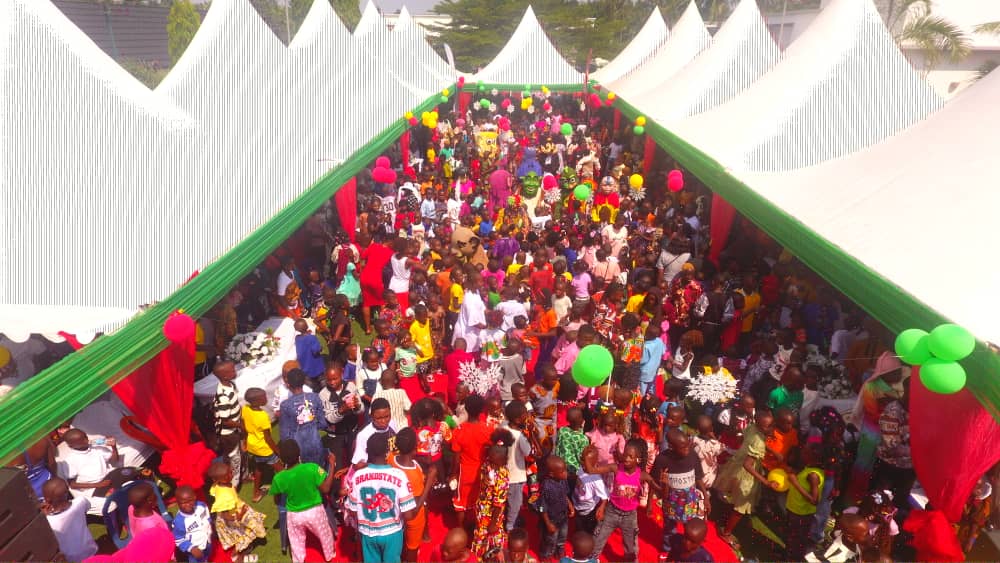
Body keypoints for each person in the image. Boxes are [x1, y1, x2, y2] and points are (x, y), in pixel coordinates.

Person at [347, 433, 418, 563]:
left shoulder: (357, 476)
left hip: (367, 533)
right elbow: (408, 515)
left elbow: (352, 510)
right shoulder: (399, 475)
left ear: (367, 451)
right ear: (387, 452)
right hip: (392, 533)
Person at [589, 442, 664, 562]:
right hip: (611, 511)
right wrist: (587, 457)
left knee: (631, 547)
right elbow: (592, 470)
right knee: (598, 538)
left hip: (630, 516)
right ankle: (591, 559)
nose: (626, 459)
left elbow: (659, 490)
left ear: (638, 460)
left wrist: (664, 485)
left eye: (630, 456)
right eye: (625, 455)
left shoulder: (642, 475)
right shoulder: (616, 468)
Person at [847, 352, 906, 504]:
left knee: (872, 467)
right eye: (896, 372)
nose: (900, 374)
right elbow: (873, 413)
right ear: (886, 373)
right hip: (872, 434)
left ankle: (865, 496)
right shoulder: (872, 387)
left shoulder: (891, 388)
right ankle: (853, 497)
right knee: (863, 465)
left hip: (881, 435)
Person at [714, 410, 775, 551]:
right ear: (761, 426)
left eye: (773, 425)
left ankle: (724, 517)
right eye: (769, 426)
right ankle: (726, 533)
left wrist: (772, 452)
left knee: (732, 495)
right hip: (746, 476)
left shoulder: (752, 427)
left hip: (736, 464)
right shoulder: (759, 443)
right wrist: (766, 482)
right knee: (742, 505)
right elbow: (748, 465)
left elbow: (743, 440)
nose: (772, 428)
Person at [270, 439, 337, 563]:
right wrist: (332, 464)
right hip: (315, 512)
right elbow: (326, 488)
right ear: (299, 453)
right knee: (325, 535)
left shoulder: (279, 478)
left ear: (282, 458)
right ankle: (329, 556)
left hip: (294, 514)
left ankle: (298, 560)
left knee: (296, 542)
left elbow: (277, 500)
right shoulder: (312, 468)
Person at [652, 429, 710, 559]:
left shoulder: (692, 455)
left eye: (687, 445)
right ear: (671, 447)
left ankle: (688, 549)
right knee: (669, 529)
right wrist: (651, 501)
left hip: (689, 502)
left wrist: (706, 498)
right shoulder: (662, 459)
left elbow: (698, 477)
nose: (687, 450)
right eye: (682, 447)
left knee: (689, 528)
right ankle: (667, 549)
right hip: (670, 503)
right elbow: (653, 481)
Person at [390, 428, 439, 562]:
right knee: (412, 548)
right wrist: (429, 481)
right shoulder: (413, 475)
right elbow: (415, 507)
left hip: (395, 511)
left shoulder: (391, 458)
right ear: (415, 447)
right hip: (413, 518)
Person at [207, 461, 266, 562]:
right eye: (226, 476)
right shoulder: (223, 496)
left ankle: (241, 551)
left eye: (230, 472)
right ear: (216, 479)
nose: (230, 476)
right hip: (233, 518)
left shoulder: (219, 484)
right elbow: (225, 515)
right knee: (243, 535)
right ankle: (238, 557)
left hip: (237, 510)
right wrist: (239, 516)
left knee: (249, 528)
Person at [450, 395, 492, 527]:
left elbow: (456, 457)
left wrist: (453, 474)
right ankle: (479, 528)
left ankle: (461, 530)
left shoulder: (459, 431)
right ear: (482, 410)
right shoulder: (488, 429)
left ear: (466, 409)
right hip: (482, 472)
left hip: (465, 472)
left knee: (461, 503)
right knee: (480, 501)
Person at [319, 361, 363, 484]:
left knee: (354, 461)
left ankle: (354, 485)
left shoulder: (351, 387)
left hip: (352, 431)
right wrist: (341, 410)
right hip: (335, 436)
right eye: (329, 380)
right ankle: (338, 489)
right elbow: (329, 418)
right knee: (337, 466)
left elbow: (361, 410)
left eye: (335, 379)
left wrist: (357, 406)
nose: (332, 382)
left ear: (342, 374)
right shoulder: (323, 394)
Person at [471, 430, 513, 558]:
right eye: (491, 454)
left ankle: (485, 556)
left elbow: (499, 503)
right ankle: (482, 555)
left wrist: (494, 523)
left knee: (488, 535)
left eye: (494, 456)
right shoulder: (487, 465)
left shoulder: (502, 475)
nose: (491, 458)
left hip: (491, 514)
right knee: (482, 534)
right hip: (482, 508)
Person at [782, 444, 825, 560]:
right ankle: (787, 554)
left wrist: (795, 483)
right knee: (791, 536)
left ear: (813, 457)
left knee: (797, 539)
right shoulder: (809, 468)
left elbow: (814, 501)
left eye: (806, 453)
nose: (802, 454)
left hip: (801, 513)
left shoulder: (813, 475)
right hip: (795, 509)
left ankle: (794, 558)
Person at [278, 369, 328, 467]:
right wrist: (311, 426)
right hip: (315, 443)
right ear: (304, 382)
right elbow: (323, 423)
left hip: (298, 448)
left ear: (288, 384)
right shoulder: (315, 397)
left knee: (303, 472)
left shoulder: (285, 405)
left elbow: (285, 435)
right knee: (319, 471)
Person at [60, 428, 118, 512]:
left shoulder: (96, 448)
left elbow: (115, 460)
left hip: (109, 478)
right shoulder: (70, 460)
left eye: (85, 437)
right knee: (113, 499)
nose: (86, 440)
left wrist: (114, 447)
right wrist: (97, 485)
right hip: (93, 488)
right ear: (71, 446)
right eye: (81, 441)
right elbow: (72, 485)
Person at [42, 477, 98, 562]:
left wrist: (44, 514)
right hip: (91, 548)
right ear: (67, 490)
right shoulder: (81, 502)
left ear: (47, 500)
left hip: (72, 558)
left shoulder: (48, 521)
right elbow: (87, 507)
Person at [242, 387, 282, 502]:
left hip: (253, 447)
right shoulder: (263, 416)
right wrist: (278, 451)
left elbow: (243, 426)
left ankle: (256, 494)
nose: (266, 398)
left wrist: (245, 441)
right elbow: (268, 438)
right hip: (264, 449)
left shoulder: (245, 408)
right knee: (281, 470)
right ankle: (291, 490)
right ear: (257, 401)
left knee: (258, 468)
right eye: (264, 397)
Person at [502, 401, 536, 531]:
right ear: (517, 420)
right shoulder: (519, 436)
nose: (527, 417)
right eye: (525, 415)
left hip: (504, 473)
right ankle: (510, 526)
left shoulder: (503, 426)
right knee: (515, 504)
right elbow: (528, 452)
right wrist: (531, 434)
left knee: (506, 499)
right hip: (516, 475)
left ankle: (507, 519)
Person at [212, 360, 242, 487]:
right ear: (225, 376)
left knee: (236, 454)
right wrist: (241, 426)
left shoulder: (231, 385)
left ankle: (240, 475)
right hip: (228, 433)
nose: (235, 371)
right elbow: (226, 421)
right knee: (234, 458)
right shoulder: (223, 396)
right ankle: (233, 484)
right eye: (232, 370)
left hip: (234, 428)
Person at [538, 455, 574, 561]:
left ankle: (560, 549)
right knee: (550, 540)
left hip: (563, 516)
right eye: (562, 471)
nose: (566, 473)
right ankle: (546, 555)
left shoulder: (563, 480)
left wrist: (570, 505)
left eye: (565, 470)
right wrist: (548, 523)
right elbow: (542, 507)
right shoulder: (546, 487)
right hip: (551, 519)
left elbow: (565, 494)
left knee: (563, 536)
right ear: (552, 474)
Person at [573, 446, 609, 535]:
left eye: (587, 462)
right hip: (577, 506)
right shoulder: (581, 468)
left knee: (588, 532)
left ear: (595, 462)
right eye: (582, 460)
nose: (583, 463)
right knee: (579, 530)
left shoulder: (596, 479)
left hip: (590, 510)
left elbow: (605, 497)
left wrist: (601, 508)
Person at [171, 485, 212, 562]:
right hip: (195, 550)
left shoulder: (202, 506)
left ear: (194, 497)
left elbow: (207, 517)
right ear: (177, 503)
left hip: (207, 541)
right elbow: (178, 539)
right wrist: (191, 548)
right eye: (184, 502)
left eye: (190, 500)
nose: (188, 504)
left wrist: (210, 530)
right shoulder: (180, 521)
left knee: (207, 557)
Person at [352, 398, 398, 466]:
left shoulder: (392, 423)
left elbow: (395, 450)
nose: (383, 421)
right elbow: (359, 464)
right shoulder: (364, 435)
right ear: (371, 416)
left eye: (387, 416)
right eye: (379, 418)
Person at [294, 319, 325, 385]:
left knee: (311, 386)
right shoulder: (312, 338)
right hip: (316, 367)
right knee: (323, 382)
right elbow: (315, 351)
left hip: (305, 367)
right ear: (307, 326)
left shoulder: (297, 338)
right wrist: (321, 348)